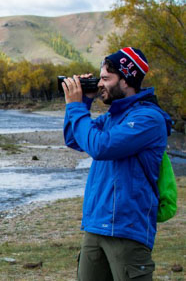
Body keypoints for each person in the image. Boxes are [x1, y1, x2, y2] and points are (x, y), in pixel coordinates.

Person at [62, 47, 172, 281]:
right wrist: (81, 102)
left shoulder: (148, 119)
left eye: (105, 78)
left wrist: (75, 107)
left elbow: (101, 147)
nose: (100, 84)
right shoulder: (113, 117)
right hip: (95, 226)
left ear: (126, 80)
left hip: (127, 228)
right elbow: (73, 139)